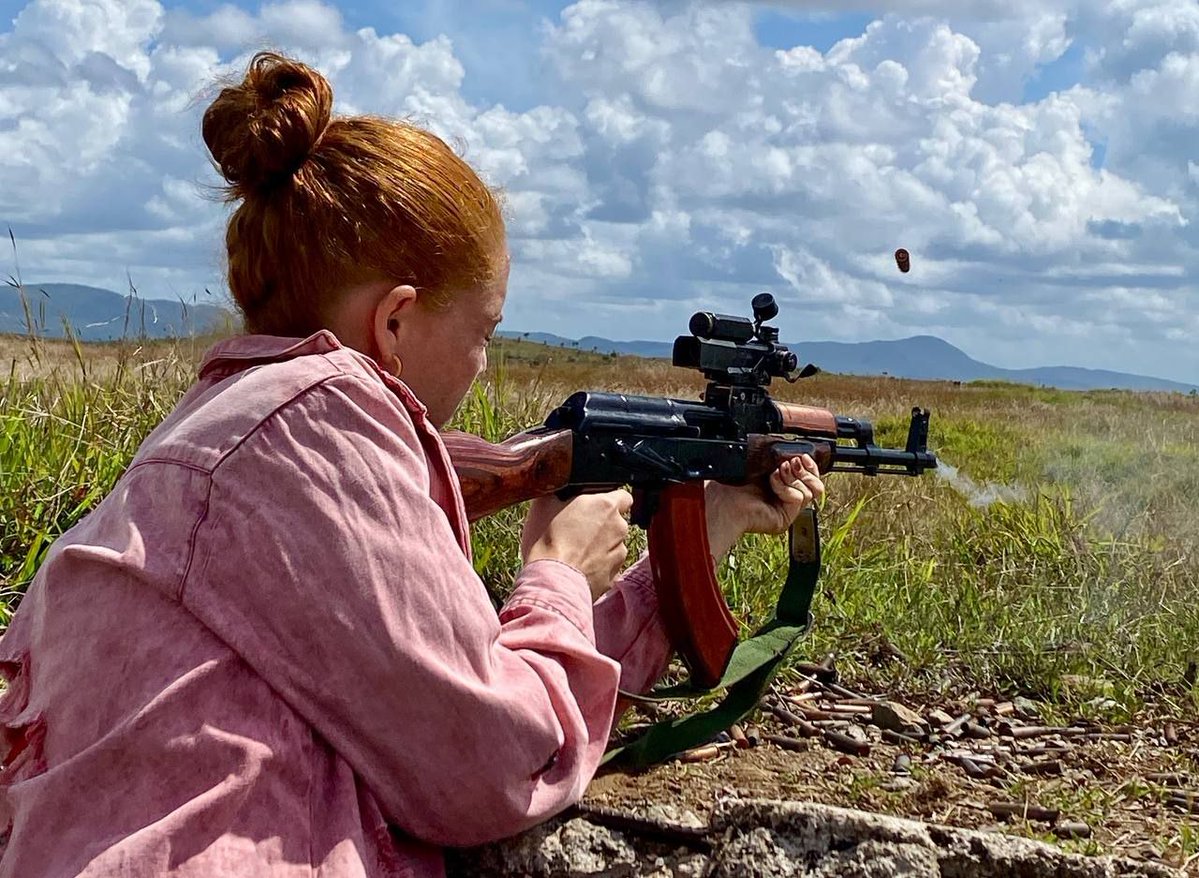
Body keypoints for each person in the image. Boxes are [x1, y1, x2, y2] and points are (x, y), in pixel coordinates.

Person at [0, 52, 825, 877]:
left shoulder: (240, 424)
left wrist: (703, 529)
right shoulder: (318, 422)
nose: (482, 367)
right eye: (483, 333)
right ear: (395, 323)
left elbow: (445, 700)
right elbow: (493, 765)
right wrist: (558, 574)